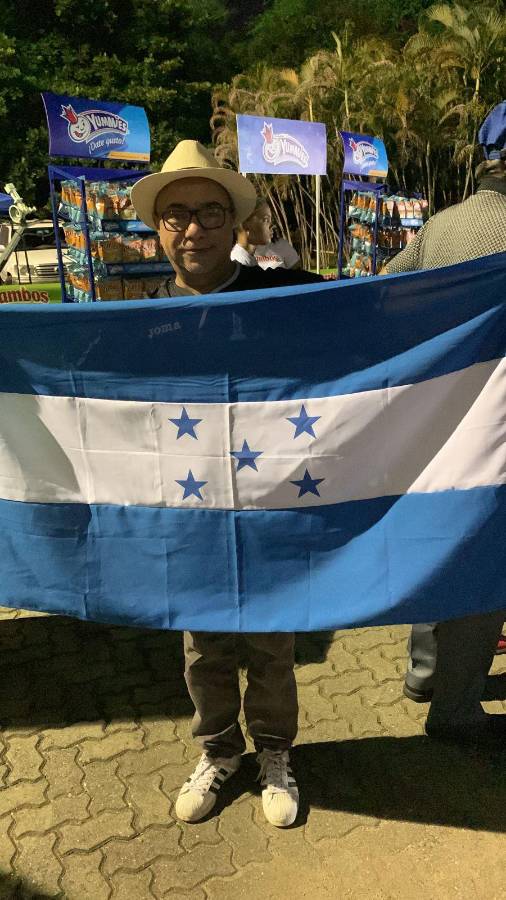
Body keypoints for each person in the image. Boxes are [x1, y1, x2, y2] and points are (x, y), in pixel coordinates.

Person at [131, 140, 323, 827]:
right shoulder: (135, 319)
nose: (193, 229)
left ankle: (274, 751)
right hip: (191, 513)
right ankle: (219, 752)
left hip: (270, 506)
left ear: (232, 223)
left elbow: (371, 318)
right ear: (158, 228)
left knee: (272, 642)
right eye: (176, 215)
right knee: (204, 646)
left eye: (210, 213)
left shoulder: (284, 297)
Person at [383, 101, 506, 740]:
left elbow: (379, 290)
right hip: (500, 436)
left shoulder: (441, 228)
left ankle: (424, 674)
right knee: (488, 567)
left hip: (438, 427)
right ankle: (455, 710)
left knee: (441, 547)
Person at [231, 197, 300, 270]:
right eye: (265, 220)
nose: (272, 225)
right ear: (245, 225)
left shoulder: (249, 259)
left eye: (271, 220)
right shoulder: (239, 261)